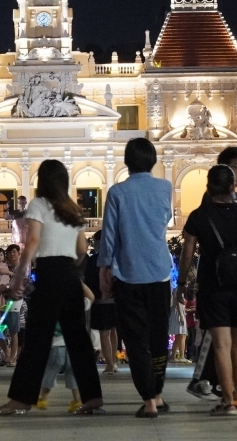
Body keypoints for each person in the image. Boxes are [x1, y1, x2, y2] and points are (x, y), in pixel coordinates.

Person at [0, 160, 102, 416]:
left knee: (36, 339)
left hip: (49, 272)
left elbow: (31, 243)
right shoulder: (73, 209)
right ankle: (93, 397)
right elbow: (81, 249)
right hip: (70, 275)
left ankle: (21, 398)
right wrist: (71, 269)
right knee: (78, 339)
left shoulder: (39, 205)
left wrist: (19, 278)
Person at [179, 164, 237, 417]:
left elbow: (187, 253)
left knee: (221, 346)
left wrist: (182, 283)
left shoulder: (198, 217)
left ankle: (227, 401)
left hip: (213, 287)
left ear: (209, 186)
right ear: (232, 186)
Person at [99, 137, 174, 418]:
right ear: (153, 161)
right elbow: (165, 219)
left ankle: (149, 399)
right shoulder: (165, 187)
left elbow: (109, 235)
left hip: (129, 273)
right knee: (158, 337)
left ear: (127, 162)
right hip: (159, 272)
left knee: (135, 339)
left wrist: (105, 268)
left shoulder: (117, 192)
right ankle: (157, 392)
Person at [84, 231, 118, 375]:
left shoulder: (94, 260)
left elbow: (89, 279)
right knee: (112, 331)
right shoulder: (115, 258)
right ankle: (113, 362)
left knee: (105, 332)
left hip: (100, 300)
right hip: (114, 300)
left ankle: (110, 364)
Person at [0, 244, 23, 367]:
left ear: (18, 253)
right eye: (10, 252)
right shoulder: (6, 266)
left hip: (14, 301)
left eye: (14, 252)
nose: (12, 254)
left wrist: (4, 288)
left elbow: (21, 284)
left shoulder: (21, 267)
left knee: (13, 331)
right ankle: (7, 354)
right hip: (3, 301)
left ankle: (12, 358)